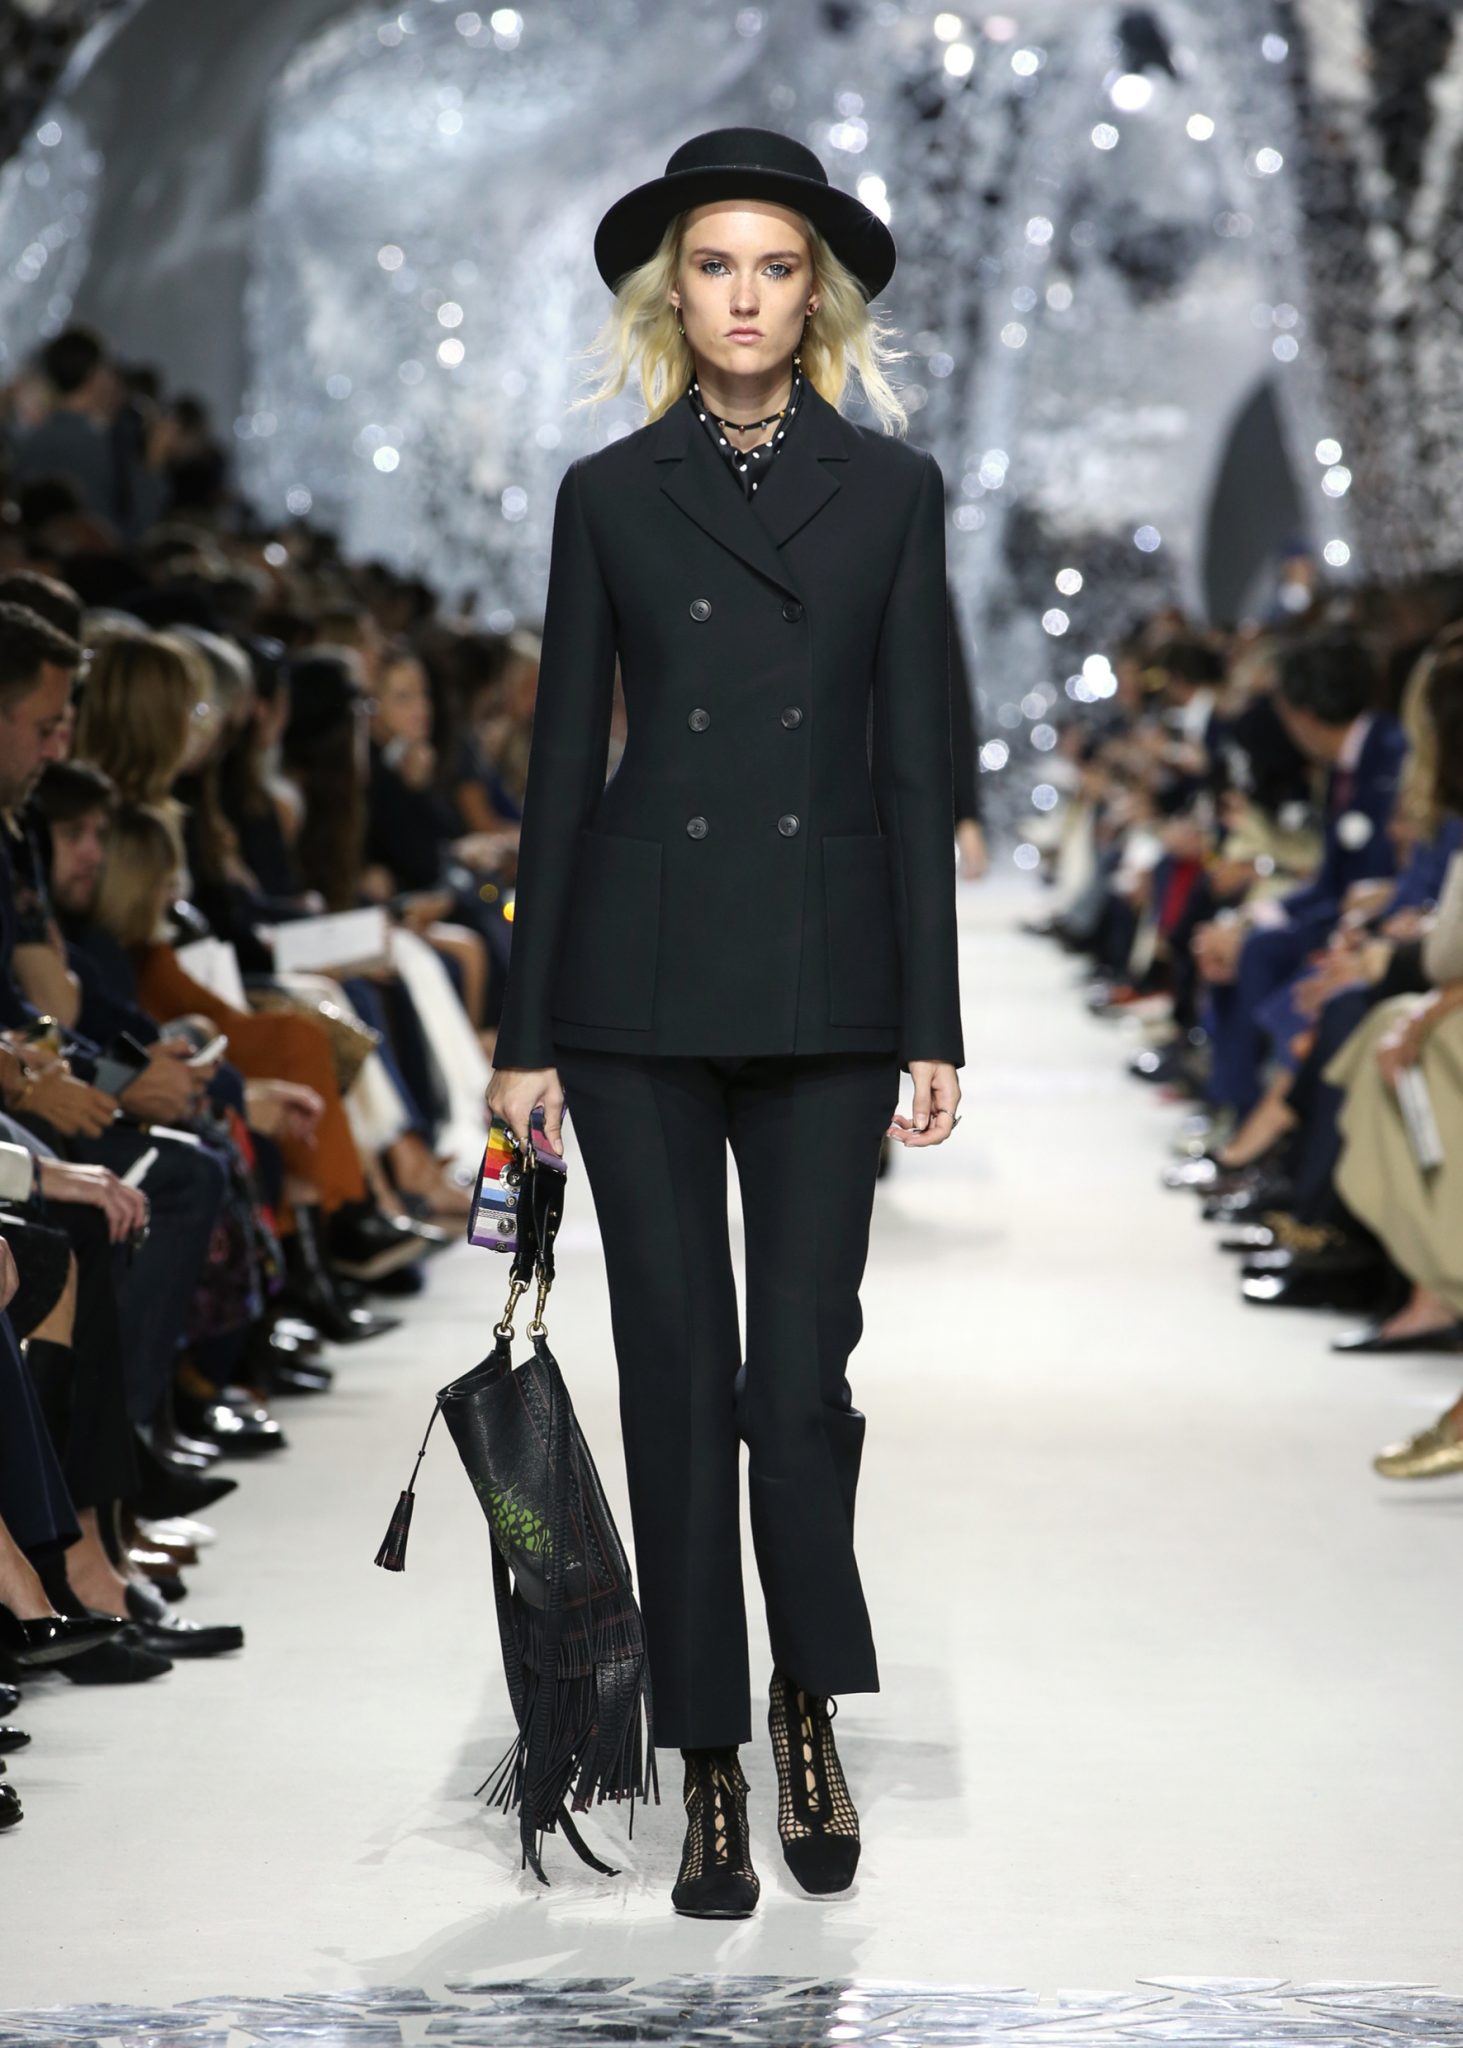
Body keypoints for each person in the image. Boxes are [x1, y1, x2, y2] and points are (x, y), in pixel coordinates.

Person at [485, 126, 965, 1920]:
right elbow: (559, 767)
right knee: (678, 1376)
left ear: (814, 295)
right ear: (669, 294)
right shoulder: (609, 494)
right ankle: (703, 1756)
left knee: (797, 1377)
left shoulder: (893, 490)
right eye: (713, 266)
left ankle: (804, 1699)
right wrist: (523, 1030)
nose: (745, 297)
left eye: (775, 267)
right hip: (640, 981)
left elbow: (914, 765)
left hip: (831, 982)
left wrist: (934, 1015)